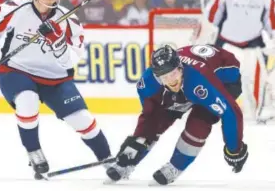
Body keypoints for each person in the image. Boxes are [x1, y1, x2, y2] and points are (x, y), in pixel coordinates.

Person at [0, 0, 111, 180]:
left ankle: (109, 159)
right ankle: (34, 151)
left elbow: (71, 62)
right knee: (27, 100)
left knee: (82, 120)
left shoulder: (69, 21)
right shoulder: (14, 8)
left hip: (55, 78)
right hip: (16, 70)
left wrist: (57, 43)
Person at [106, 44, 248, 185]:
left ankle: (176, 167)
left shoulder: (200, 80)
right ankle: (127, 162)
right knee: (156, 121)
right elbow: (151, 118)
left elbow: (231, 113)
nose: (171, 81)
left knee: (199, 122)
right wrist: (137, 141)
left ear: (181, 67)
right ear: (157, 77)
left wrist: (234, 150)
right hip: (191, 81)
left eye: (173, 74)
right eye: (165, 77)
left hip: (225, 77)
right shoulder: (148, 83)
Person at [205, 0, 275, 121]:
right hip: (228, 43)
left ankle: (256, 114)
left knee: (255, 81)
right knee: (222, 80)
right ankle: (213, 110)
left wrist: (272, 39)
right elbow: (212, 16)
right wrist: (207, 33)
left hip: (254, 44)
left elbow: (271, 20)